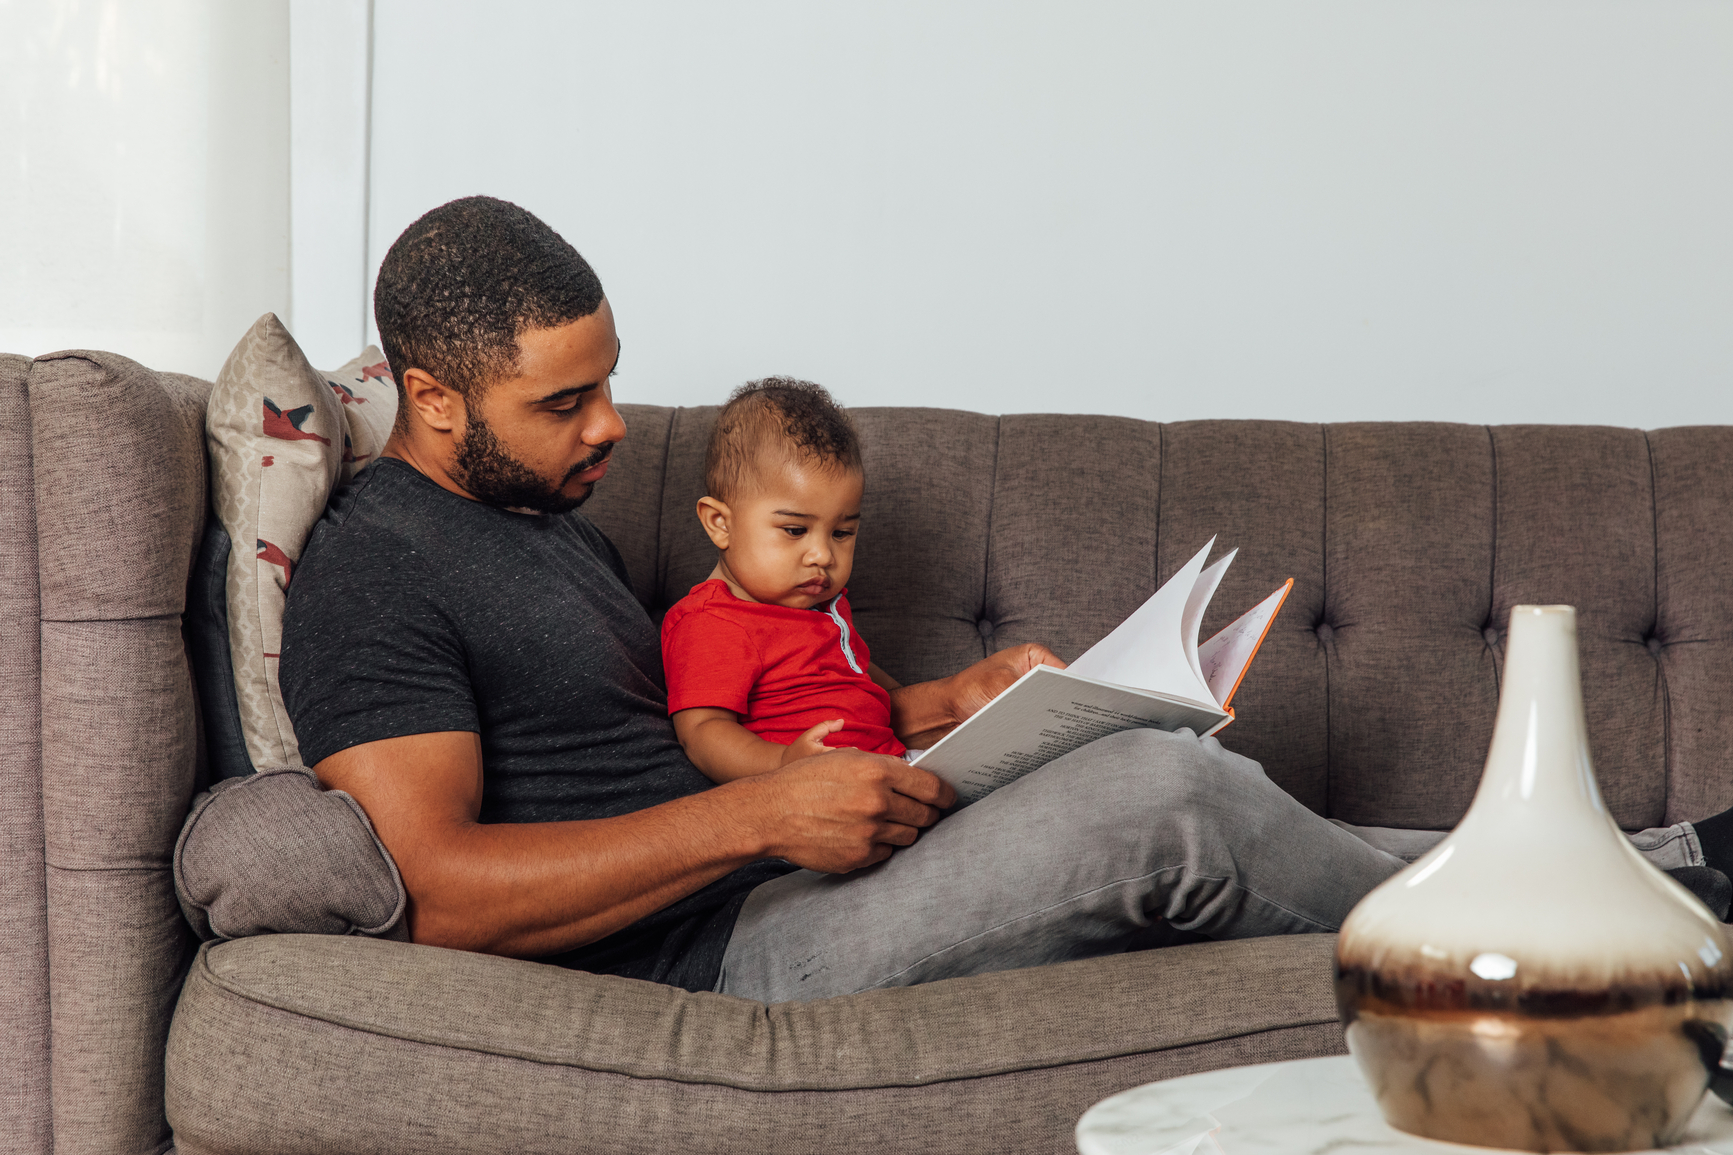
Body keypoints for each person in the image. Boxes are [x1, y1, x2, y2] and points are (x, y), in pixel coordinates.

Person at [280, 195, 1732, 1005]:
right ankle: (1639, 933)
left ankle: (1664, 856)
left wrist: (950, 707)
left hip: (778, 871)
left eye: (610, 378)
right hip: (717, 952)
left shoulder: (540, 517)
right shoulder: (376, 567)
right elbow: (436, 891)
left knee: (1139, 751)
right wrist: (758, 815)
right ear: (430, 396)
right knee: (1165, 804)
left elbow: (704, 718)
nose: (611, 425)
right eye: (566, 399)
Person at [662, 378, 921, 782]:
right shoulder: (713, 622)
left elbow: (858, 674)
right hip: (812, 796)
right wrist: (783, 764)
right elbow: (702, 733)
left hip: (894, 765)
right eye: (795, 531)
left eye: (842, 533)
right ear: (720, 524)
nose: (823, 556)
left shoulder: (821, 605)